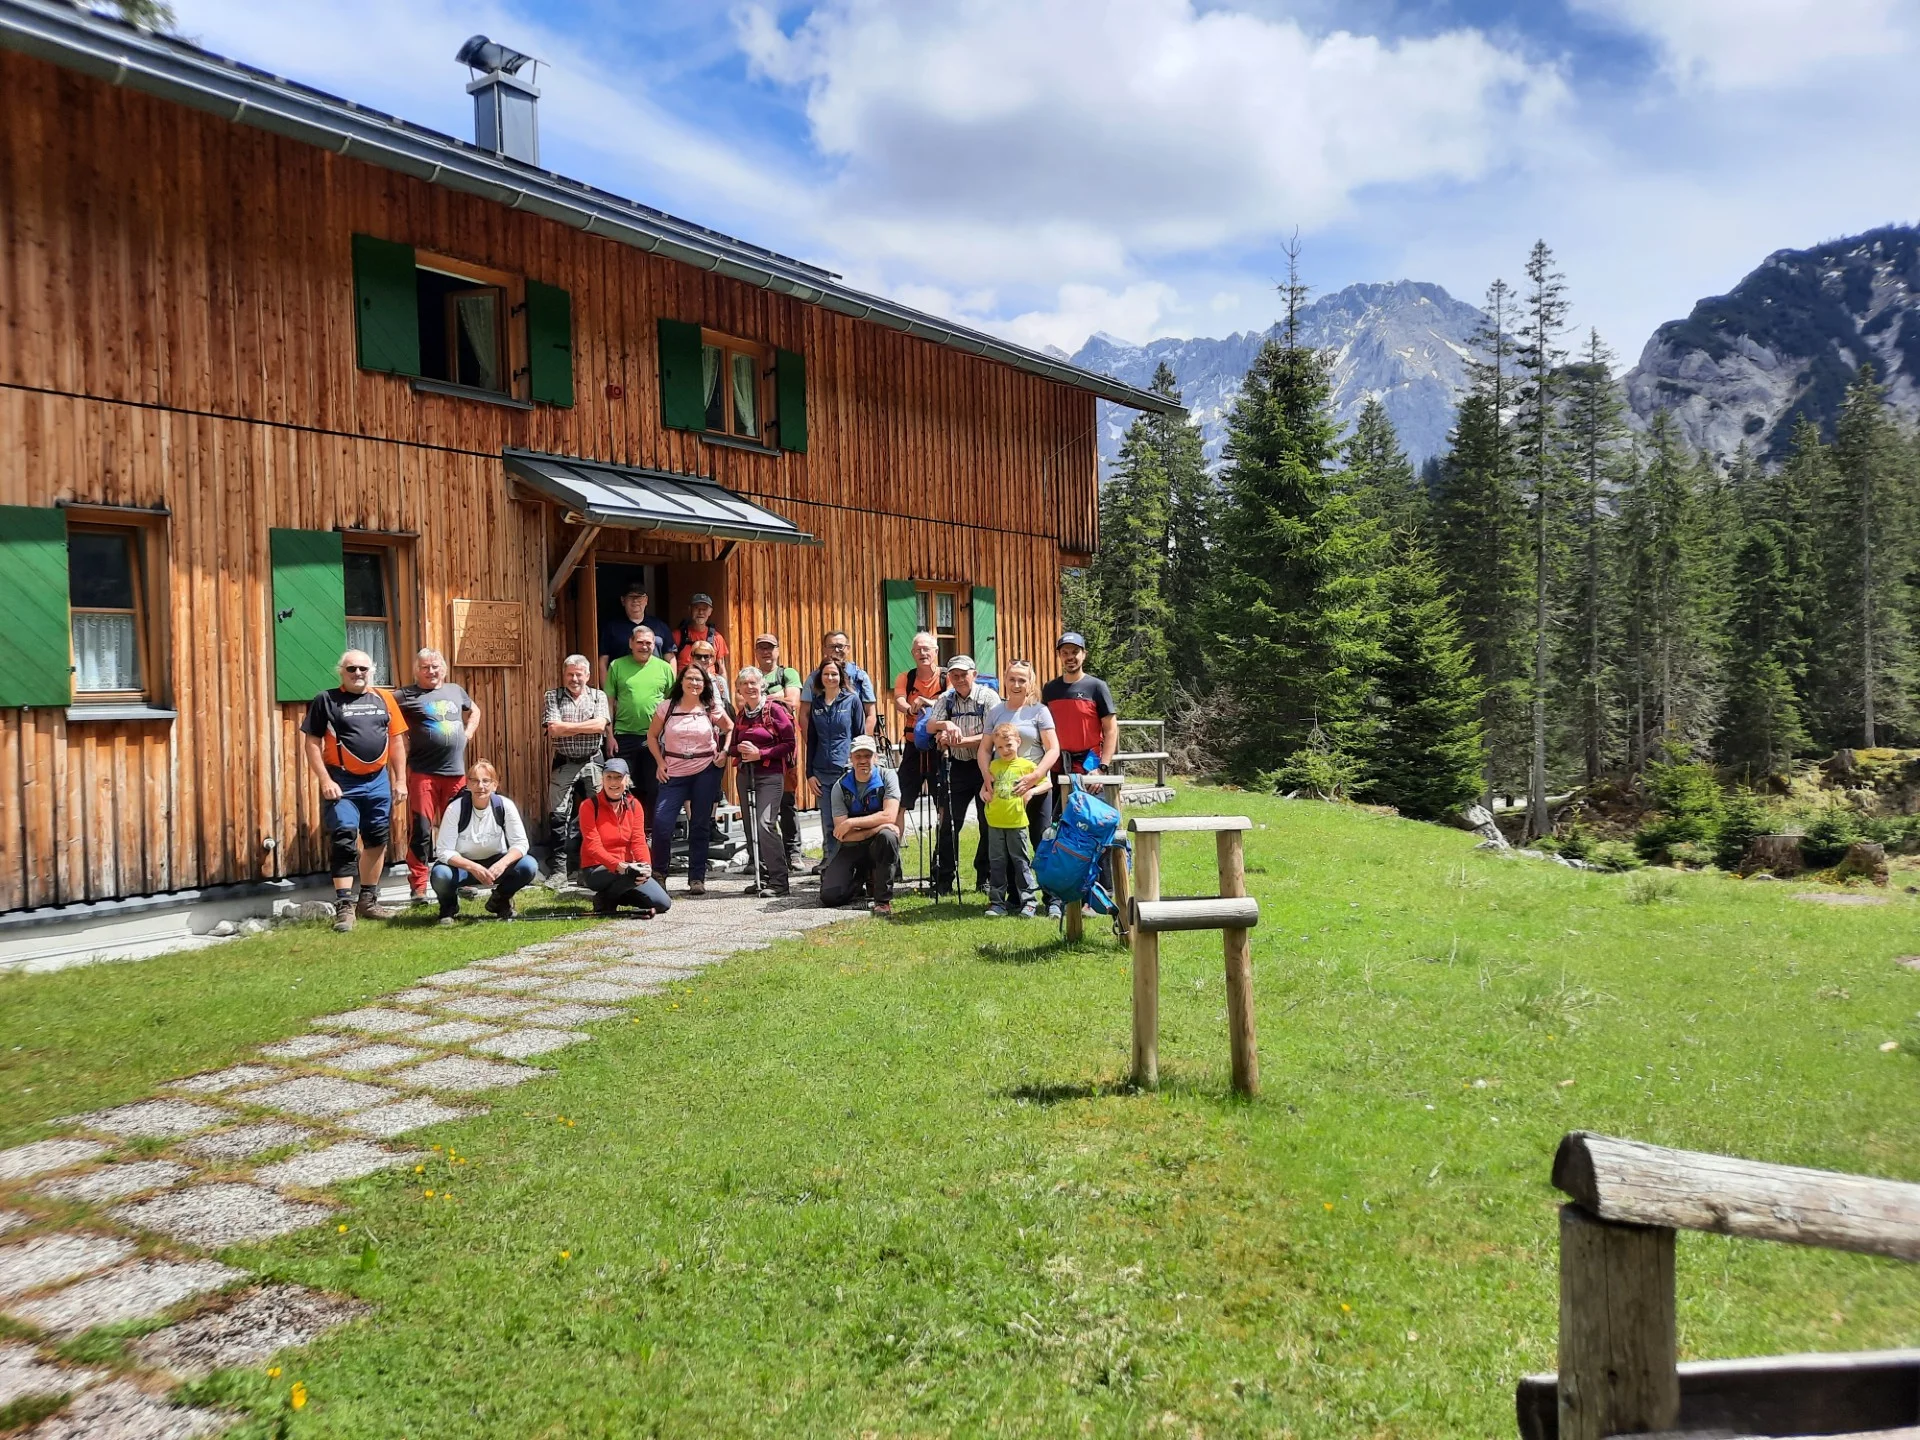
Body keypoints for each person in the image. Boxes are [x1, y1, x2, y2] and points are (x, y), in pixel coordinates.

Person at [300, 650, 408, 932]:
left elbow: (396, 742)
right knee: (344, 838)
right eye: (351, 669)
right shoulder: (327, 700)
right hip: (342, 781)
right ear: (341, 673)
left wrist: (400, 781)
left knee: (376, 840)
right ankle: (344, 906)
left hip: (378, 782)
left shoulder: (385, 699)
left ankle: (368, 901)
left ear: (371, 670)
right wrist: (325, 780)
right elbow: (312, 744)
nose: (358, 674)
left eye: (363, 668)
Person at [393, 648, 481, 904]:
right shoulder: (405, 695)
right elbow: (385, 715)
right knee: (421, 830)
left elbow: (474, 710)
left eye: (435, 666)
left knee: (458, 829)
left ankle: (461, 879)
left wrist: (468, 733)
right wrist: (402, 739)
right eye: (425, 667)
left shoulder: (455, 690)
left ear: (443, 668)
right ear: (416, 670)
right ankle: (419, 886)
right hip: (423, 774)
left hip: (455, 775)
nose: (431, 671)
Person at [981, 659, 1063, 912]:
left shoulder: (1039, 711)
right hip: (1004, 790)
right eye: (1011, 679)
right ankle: (1016, 899)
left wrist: (1034, 776)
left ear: (1030, 683)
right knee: (1004, 848)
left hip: (1035, 788)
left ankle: (1053, 900)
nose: (1016, 684)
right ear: (1004, 680)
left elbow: (1053, 749)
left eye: (1022, 680)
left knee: (1041, 844)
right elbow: (984, 750)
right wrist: (986, 778)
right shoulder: (996, 712)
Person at [646, 662, 733, 895]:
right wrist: (660, 762)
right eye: (690, 678)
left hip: (705, 770)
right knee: (662, 823)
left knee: (700, 824)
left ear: (704, 684)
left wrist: (724, 752)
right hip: (673, 771)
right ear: (681, 681)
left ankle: (696, 878)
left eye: (699, 680)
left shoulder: (710, 706)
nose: (694, 683)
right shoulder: (667, 707)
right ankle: (659, 875)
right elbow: (652, 736)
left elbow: (730, 728)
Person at [926, 655, 999, 897]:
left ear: (974, 674)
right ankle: (944, 878)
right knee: (948, 824)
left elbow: (994, 734)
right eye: (954, 675)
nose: (959, 679)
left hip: (985, 766)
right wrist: (947, 726)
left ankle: (985, 876)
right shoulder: (946, 699)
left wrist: (960, 740)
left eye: (963, 674)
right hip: (956, 766)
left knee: (987, 823)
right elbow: (929, 726)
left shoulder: (988, 697)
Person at [430, 760, 537, 924]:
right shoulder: (455, 808)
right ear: (468, 784)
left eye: (486, 781)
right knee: (440, 874)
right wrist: (473, 867)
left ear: (495, 785)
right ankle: (448, 907)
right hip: (462, 867)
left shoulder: (505, 806)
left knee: (528, 865)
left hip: (495, 862)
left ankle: (500, 900)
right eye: (475, 781)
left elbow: (521, 844)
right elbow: (443, 851)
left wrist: (502, 864)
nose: (481, 786)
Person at [540, 654, 610, 879]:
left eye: (579, 674)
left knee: (601, 812)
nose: (574, 679)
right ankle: (560, 870)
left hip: (592, 760)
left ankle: (593, 865)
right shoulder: (553, 696)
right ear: (564, 675)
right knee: (558, 816)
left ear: (588, 675)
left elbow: (600, 726)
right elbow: (554, 730)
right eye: (570, 674)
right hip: (565, 761)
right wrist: (584, 726)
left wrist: (567, 726)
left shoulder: (599, 696)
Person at [729, 665, 795, 897]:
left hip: (770, 774)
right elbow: (732, 747)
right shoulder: (741, 715)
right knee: (750, 827)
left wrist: (761, 753)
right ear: (739, 689)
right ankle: (762, 876)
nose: (749, 687)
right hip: (746, 774)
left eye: (753, 683)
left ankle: (779, 880)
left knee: (764, 824)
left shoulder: (773, 711)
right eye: (744, 684)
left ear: (762, 686)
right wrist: (742, 750)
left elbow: (789, 743)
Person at [577, 758, 673, 917]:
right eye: (609, 777)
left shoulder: (634, 805)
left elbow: (639, 841)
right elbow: (593, 847)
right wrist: (620, 866)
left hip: (629, 868)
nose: (613, 782)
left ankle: (618, 894)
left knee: (663, 903)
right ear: (602, 780)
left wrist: (646, 866)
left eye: (618, 777)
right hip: (597, 868)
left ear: (627, 780)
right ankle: (606, 899)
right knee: (631, 874)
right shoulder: (588, 806)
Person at [819, 735, 900, 916]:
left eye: (867, 756)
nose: (863, 760)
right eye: (858, 756)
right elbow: (843, 835)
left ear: (876, 758)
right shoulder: (840, 787)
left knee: (888, 836)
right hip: (851, 847)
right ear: (851, 759)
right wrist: (878, 826)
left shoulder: (888, 777)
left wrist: (852, 823)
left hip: (878, 846)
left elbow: (890, 815)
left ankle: (882, 901)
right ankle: (859, 879)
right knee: (829, 897)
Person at [1042, 631, 1119, 810]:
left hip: (1089, 767)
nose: (1070, 657)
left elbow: (1111, 730)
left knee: (1091, 823)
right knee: (1058, 825)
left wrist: (1102, 768)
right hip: (1057, 767)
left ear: (1084, 654)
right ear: (1059, 656)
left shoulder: (1097, 687)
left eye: (1075, 652)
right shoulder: (1050, 689)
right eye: (1065, 653)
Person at [606, 625, 675, 816]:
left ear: (654, 645)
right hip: (623, 736)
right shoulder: (616, 666)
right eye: (639, 642)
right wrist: (609, 736)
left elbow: (672, 705)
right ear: (630, 643)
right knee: (621, 784)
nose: (644, 647)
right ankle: (623, 829)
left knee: (654, 787)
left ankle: (650, 832)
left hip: (654, 737)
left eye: (648, 643)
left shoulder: (664, 668)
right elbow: (609, 703)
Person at [804, 657, 864, 867]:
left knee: (848, 821)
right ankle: (830, 865)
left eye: (834, 674)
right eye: (826, 674)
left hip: (846, 771)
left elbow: (859, 736)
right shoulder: (817, 703)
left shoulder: (852, 700)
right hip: (822, 773)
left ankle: (851, 866)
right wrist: (809, 774)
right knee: (828, 822)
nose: (830, 677)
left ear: (841, 677)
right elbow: (811, 740)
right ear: (820, 677)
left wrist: (858, 768)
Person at [752, 633, 805, 868]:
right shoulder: (750, 674)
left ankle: (793, 852)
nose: (766, 652)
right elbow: (744, 702)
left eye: (770, 648)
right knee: (760, 802)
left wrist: (762, 699)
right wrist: (777, 698)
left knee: (787, 799)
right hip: (757, 747)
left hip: (784, 746)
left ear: (778, 650)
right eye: (761, 648)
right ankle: (762, 856)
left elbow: (793, 701)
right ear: (756, 652)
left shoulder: (788, 673)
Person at [892, 631, 947, 844]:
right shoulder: (906, 677)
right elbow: (899, 701)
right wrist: (911, 709)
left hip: (939, 747)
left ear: (936, 651)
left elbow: (949, 698)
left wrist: (927, 702)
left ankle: (941, 855)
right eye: (918, 649)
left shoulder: (947, 677)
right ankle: (894, 858)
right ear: (913, 653)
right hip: (913, 746)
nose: (922, 653)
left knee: (942, 803)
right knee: (900, 800)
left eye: (927, 649)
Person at [981, 723, 1040, 917]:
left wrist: (1031, 791)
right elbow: (986, 787)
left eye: (1008, 745)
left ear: (1018, 742)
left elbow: (1046, 782)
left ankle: (1029, 901)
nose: (1004, 750)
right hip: (995, 822)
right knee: (996, 863)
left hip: (1016, 823)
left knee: (1021, 862)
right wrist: (984, 793)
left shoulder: (1027, 766)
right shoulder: (994, 766)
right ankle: (997, 903)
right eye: (999, 747)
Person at [801, 630, 876, 739]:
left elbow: (870, 714)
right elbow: (804, 715)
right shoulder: (813, 679)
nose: (836, 650)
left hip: (855, 745)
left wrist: (862, 746)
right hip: (824, 747)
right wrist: (811, 744)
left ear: (848, 648)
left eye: (840, 646)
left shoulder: (860, 678)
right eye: (832, 646)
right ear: (824, 649)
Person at [597, 582, 673, 684]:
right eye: (631, 597)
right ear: (623, 600)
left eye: (640, 597)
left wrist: (672, 688)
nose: (635, 601)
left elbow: (670, 658)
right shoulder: (611, 627)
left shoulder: (660, 626)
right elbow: (603, 661)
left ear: (646, 600)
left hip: (656, 686)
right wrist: (608, 692)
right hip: (623, 688)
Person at [672, 593, 730, 676]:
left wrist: (724, 688)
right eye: (697, 608)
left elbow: (722, 669)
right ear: (690, 609)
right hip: (685, 684)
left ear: (710, 612)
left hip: (709, 684)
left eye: (705, 609)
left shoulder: (717, 638)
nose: (701, 612)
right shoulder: (677, 636)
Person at [684, 638, 730, 706]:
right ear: (692, 658)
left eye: (706, 657)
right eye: (698, 656)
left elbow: (727, 706)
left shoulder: (720, 682)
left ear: (711, 659)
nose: (702, 660)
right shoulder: (685, 680)